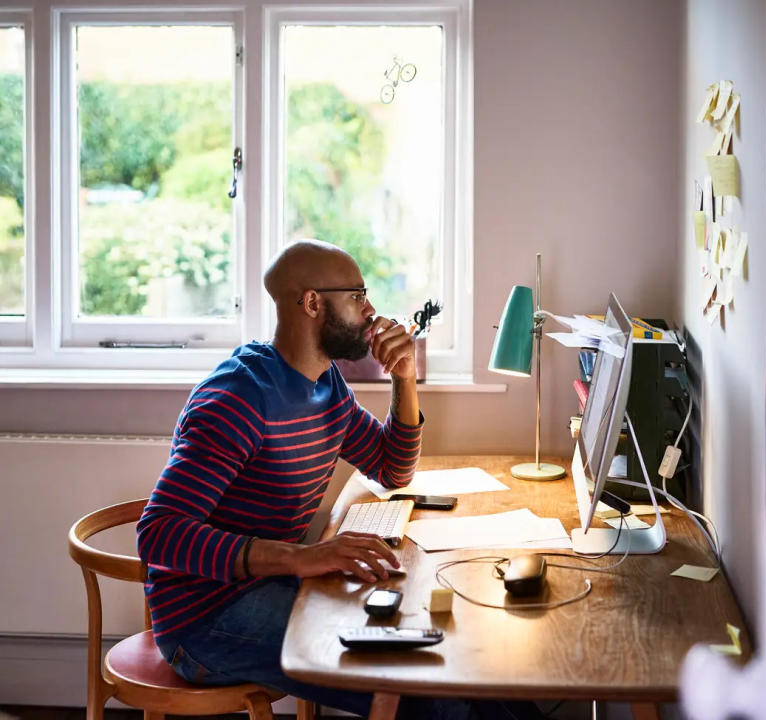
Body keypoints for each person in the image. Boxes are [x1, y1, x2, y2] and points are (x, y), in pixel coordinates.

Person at [137, 240, 544, 720]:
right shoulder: (238, 399)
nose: (371, 310)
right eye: (357, 295)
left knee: (466, 660)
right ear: (312, 303)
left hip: (275, 586)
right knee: (430, 692)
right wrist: (302, 557)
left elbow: (392, 469)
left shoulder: (326, 385)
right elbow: (158, 534)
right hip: (206, 619)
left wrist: (405, 377)